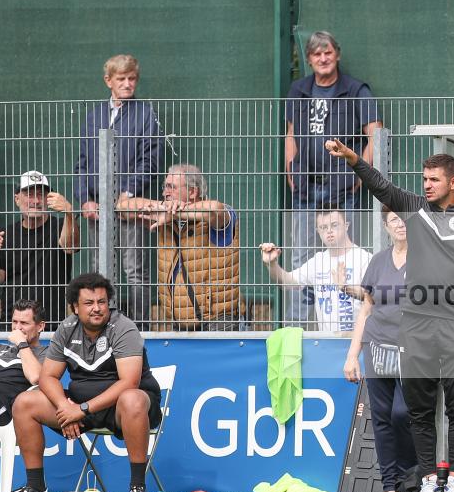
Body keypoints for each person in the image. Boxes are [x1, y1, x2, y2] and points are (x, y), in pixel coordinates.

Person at [326, 137, 454, 492]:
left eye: (434, 180)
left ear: (453, 183)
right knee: (419, 411)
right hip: (416, 327)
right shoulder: (414, 210)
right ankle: (427, 482)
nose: (426, 185)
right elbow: (382, 186)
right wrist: (353, 159)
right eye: (424, 180)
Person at [9, 273, 161, 492]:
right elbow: (48, 377)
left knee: (133, 398)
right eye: (88, 303)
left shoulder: (124, 327)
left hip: (121, 407)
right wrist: (65, 407)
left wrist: (81, 410)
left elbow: (130, 381)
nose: (96, 308)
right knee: (24, 403)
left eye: (101, 302)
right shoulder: (67, 328)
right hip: (79, 406)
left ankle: (137, 487)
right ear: (75, 307)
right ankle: (35, 487)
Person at [284, 31, 382, 325]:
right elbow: (290, 134)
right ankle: (297, 328)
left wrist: (360, 173)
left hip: (343, 189)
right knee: (300, 259)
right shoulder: (298, 90)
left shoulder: (355, 90)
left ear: (337, 55)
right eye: (316, 54)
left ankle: (349, 325)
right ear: (310, 60)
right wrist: (291, 170)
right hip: (305, 188)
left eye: (328, 53)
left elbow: (374, 133)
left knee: (345, 259)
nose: (323, 59)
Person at [74, 54, 162, 328]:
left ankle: (139, 329)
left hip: (129, 203)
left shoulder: (144, 113)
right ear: (108, 81)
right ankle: (102, 327)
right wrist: (85, 200)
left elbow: (150, 158)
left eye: (132, 78)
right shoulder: (94, 115)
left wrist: (129, 191)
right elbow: (82, 161)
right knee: (100, 271)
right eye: (121, 79)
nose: (127, 84)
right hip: (98, 206)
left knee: (135, 270)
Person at [343, 207, 416, 492]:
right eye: (394, 220)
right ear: (386, 226)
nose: (401, 225)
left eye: (405, 219)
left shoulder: (426, 261)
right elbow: (366, 310)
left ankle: (411, 478)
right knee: (382, 418)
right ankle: (390, 486)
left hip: (412, 352)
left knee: (403, 414)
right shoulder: (378, 262)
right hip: (377, 348)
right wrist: (352, 355)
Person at [120, 164, 243, 330]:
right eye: (165, 186)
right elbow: (122, 207)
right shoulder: (164, 215)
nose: (165, 192)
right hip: (179, 322)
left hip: (219, 322)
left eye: (172, 187)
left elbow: (215, 209)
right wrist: (164, 208)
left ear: (192, 192)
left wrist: (174, 212)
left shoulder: (219, 217)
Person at [260, 207, 372, 332]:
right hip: (327, 342)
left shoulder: (364, 259)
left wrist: (346, 288)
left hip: (360, 340)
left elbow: (376, 297)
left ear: (346, 226)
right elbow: (287, 282)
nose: (329, 231)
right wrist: (271, 264)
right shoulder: (318, 261)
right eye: (323, 227)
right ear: (318, 231)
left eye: (334, 225)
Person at [0, 171, 80, 329]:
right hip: (14, 322)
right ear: (17, 199)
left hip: (51, 323)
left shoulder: (61, 225)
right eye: (29, 194)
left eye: (41, 195)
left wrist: (69, 212)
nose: (35, 201)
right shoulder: (6, 234)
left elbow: (71, 247)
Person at [0, 300, 48, 429]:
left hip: (5, 411)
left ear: (40, 326)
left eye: (24, 323)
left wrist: (21, 343)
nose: (17, 328)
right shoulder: (1, 348)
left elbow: (36, 378)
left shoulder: (46, 353)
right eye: (15, 322)